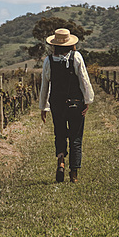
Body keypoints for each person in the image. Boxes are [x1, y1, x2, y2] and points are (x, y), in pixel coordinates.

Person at [38, 27, 95, 183]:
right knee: (76, 137)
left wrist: (43, 107)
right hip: (76, 103)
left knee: (60, 134)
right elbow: (84, 80)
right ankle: (74, 173)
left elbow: (45, 85)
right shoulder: (76, 57)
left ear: (54, 45)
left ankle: (61, 161)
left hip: (57, 104)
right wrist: (87, 100)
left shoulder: (48, 61)